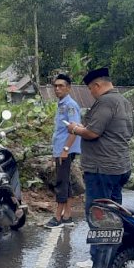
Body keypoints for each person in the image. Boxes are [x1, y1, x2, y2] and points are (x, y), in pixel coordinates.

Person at [65, 67, 133, 268]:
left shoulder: (105, 102)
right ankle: (114, 256)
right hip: (120, 166)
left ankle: (98, 260)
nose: (91, 93)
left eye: (90, 89)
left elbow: (93, 132)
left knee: (98, 214)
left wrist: (75, 129)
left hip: (102, 168)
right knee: (114, 213)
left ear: (97, 85)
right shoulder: (124, 101)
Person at [45, 73, 81, 229]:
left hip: (65, 150)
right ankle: (67, 217)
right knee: (65, 182)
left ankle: (57, 217)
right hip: (60, 149)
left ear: (68, 88)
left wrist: (65, 150)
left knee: (61, 182)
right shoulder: (62, 104)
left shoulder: (70, 105)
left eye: (61, 86)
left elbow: (75, 129)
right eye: (55, 86)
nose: (57, 89)